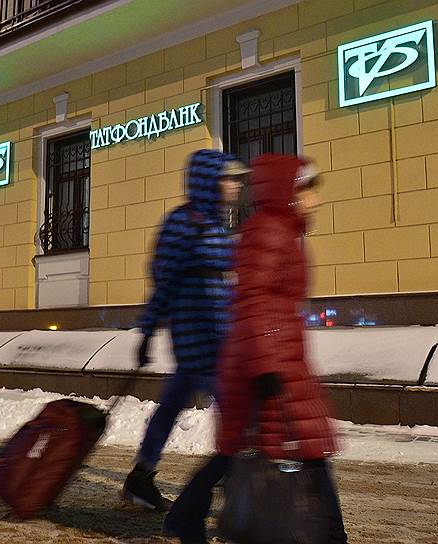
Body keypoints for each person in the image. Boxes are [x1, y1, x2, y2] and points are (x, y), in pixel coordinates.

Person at [164, 154, 347, 543]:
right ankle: (331, 537)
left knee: (251, 449)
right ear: (289, 192)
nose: (316, 199)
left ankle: (184, 516)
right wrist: (266, 367)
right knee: (299, 451)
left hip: (274, 357)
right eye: (309, 190)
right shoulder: (268, 231)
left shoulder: (279, 231)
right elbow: (253, 301)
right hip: (267, 362)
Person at [121, 149, 250, 511]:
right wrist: (148, 331)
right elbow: (163, 281)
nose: (236, 185)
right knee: (236, 409)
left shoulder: (215, 223)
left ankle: (142, 475)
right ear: (209, 182)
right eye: (228, 178)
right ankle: (231, 484)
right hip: (199, 337)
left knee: (174, 403)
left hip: (214, 334)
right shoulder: (183, 223)